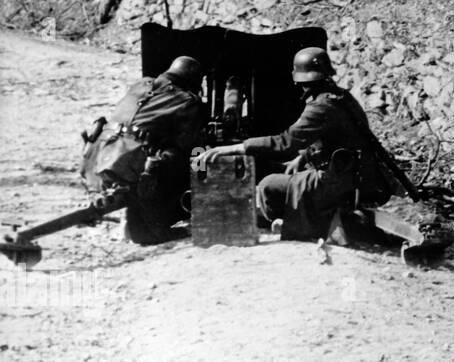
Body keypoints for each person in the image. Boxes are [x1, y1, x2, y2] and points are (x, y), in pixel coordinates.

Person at [198, 47, 388, 240]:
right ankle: (306, 218)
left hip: (338, 179)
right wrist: (302, 157)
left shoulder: (321, 106)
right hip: (355, 173)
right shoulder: (340, 96)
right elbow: (334, 137)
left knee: (268, 186)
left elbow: (285, 141)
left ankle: (301, 224)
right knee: (287, 175)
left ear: (300, 80)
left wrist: (234, 148)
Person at [81, 56, 206, 245]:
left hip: (98, 157)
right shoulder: (186, 100)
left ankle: (138, 223)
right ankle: (158, 227)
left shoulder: (141, 84)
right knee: (184, 157)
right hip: (130, 165)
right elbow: (190, 144)